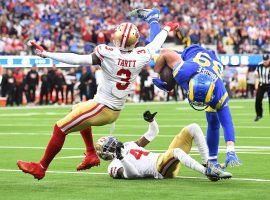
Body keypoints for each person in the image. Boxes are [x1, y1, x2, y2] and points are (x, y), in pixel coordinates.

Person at [17, 16, 179, 180]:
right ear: (135, 41)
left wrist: (48, 54)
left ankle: (41, 167)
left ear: (115, 38)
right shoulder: (141, 54)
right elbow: (156, 44)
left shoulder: (107, 53)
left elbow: (78, 59)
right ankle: (91, 154)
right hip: (112, 107)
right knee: (77, 108)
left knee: (60, 128)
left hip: (103, 107)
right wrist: (167, 28)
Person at [130, 8, 241, 170]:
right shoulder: (183, 71)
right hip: (191, 54)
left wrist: (231, 149)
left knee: (214, 120)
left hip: (211, 65)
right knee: (153, 52)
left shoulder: (218, 91)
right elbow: (166, 54)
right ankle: (153, 18)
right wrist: (163, 79)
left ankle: (213, 160)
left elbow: (227, 121)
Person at [96, 111, 232, 181]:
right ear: (105, 154)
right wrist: (121, 158)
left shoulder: (129, 145)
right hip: (159, 169)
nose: (114, 145)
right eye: (110, 147)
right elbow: (132, 175)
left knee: (192, 128)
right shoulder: (113, 166)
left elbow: (152, 133)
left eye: (112, 142)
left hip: (164, 159)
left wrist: (151, 121)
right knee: (176, 151)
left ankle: (207, 164)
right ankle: (207, 173)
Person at [254, 54, 270, 121]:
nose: (265, 62)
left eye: (266, 60)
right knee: (258, 99)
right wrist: (256, 74)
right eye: (264, 60)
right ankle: (259, 115)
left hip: (269, 85)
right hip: (261, 84)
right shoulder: (259, 65)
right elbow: (256, 72)